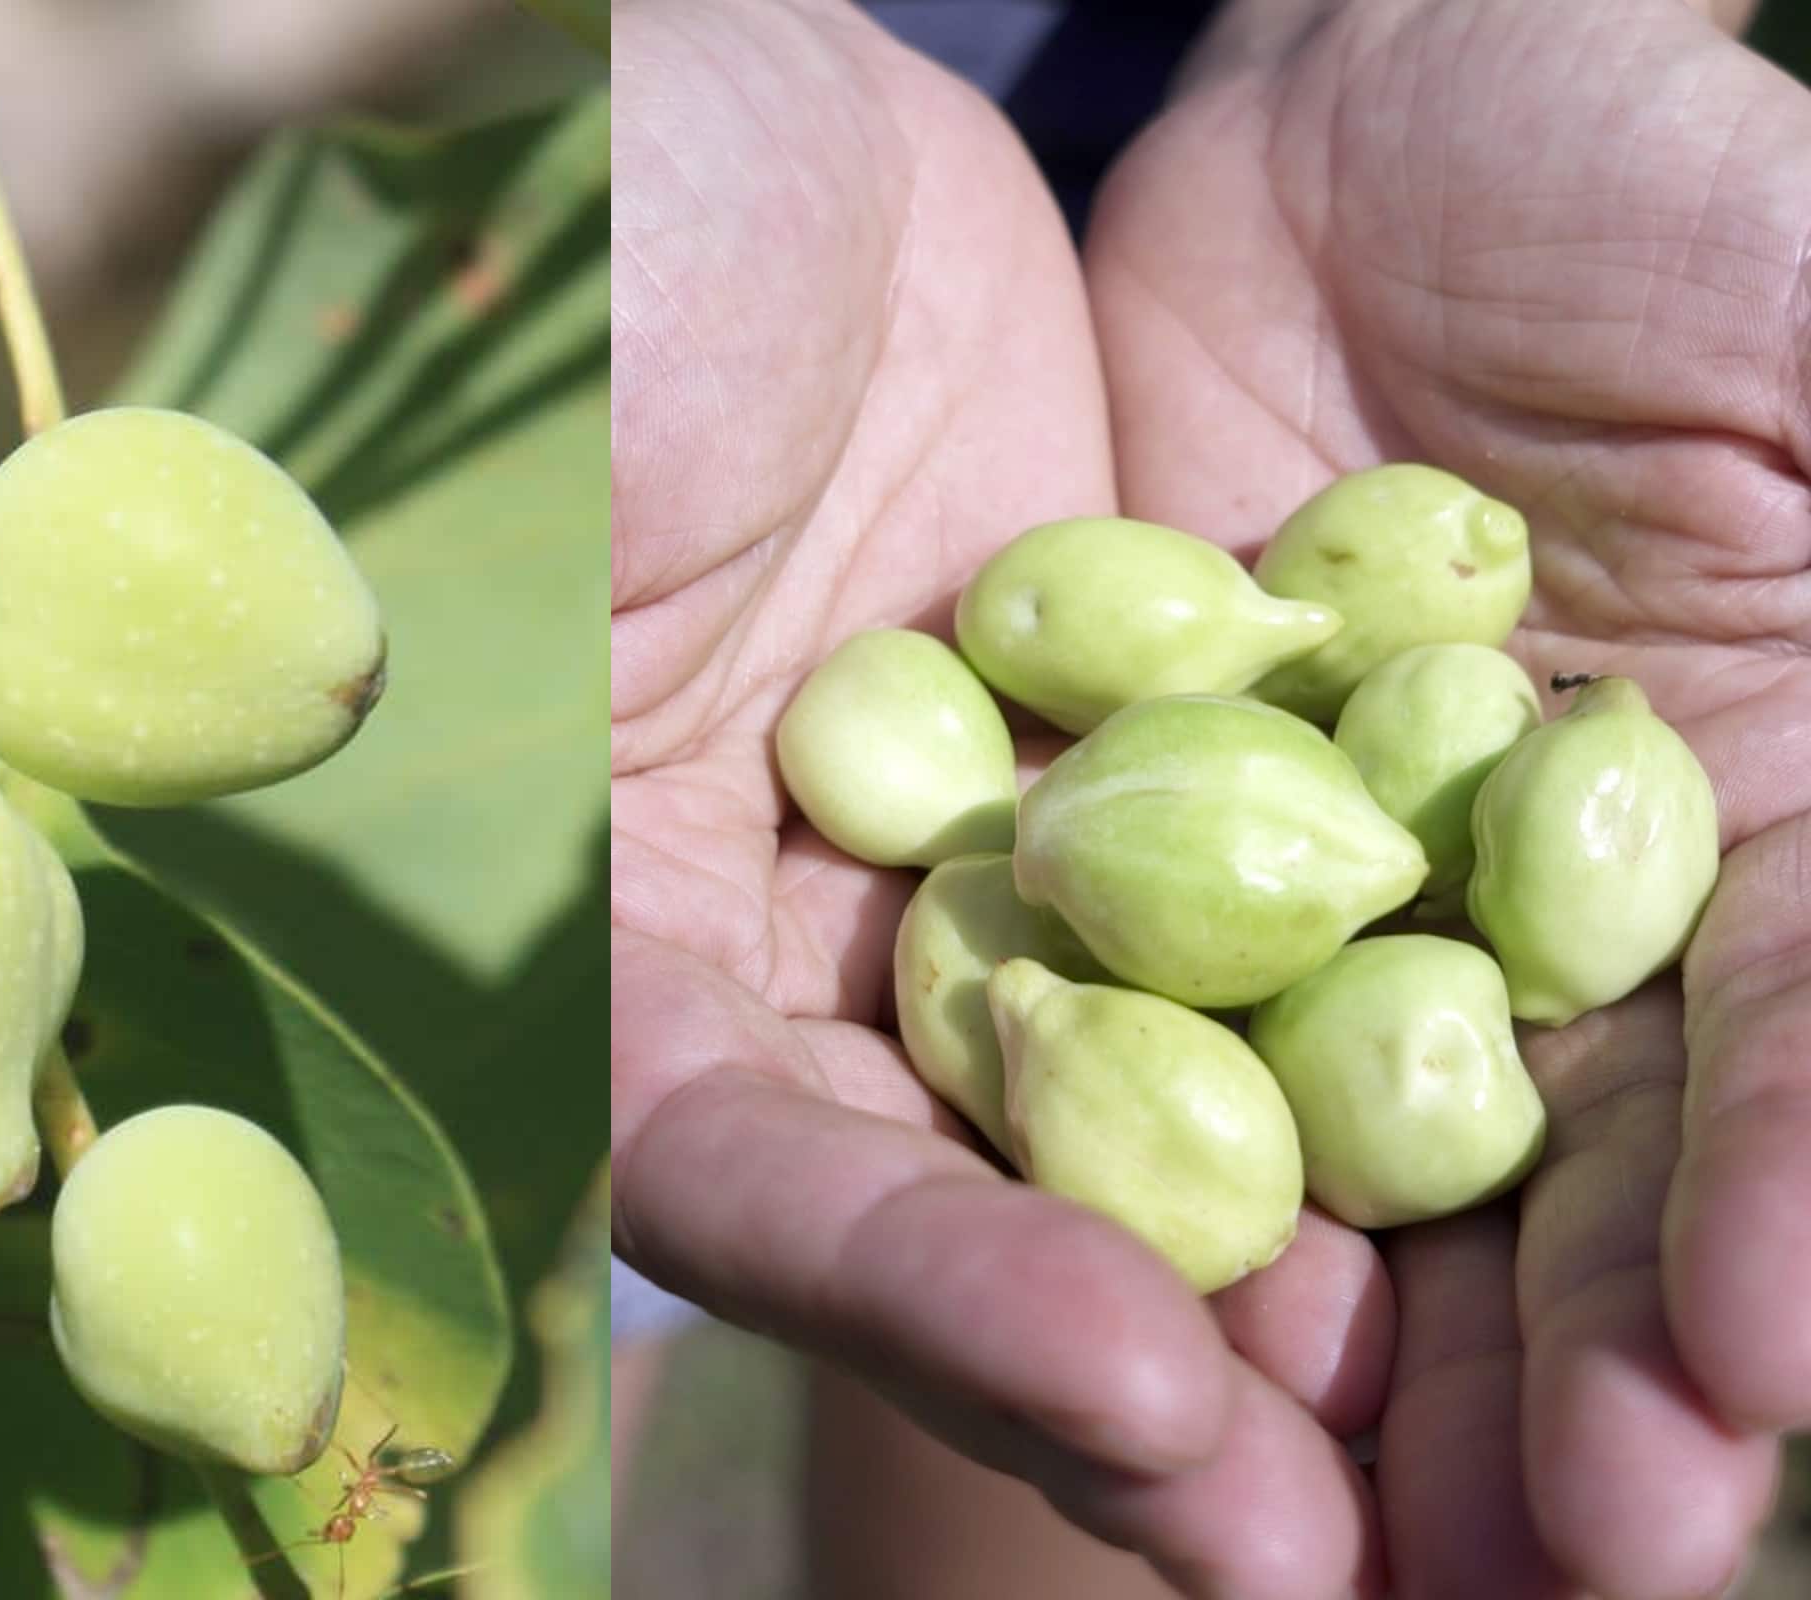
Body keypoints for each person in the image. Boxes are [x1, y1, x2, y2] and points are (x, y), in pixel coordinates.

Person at [609, 0, 1809, 1594]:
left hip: (1205, 116)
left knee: (1070, 1349)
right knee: (927, 1276)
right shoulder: (1062, 835)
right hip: (879, 205)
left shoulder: (1298, 791)